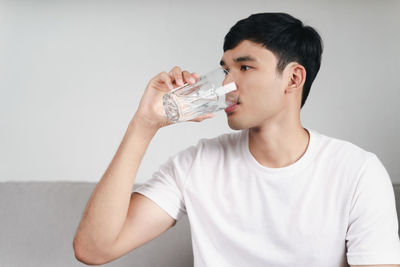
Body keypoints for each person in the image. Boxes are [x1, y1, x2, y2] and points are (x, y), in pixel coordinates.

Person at [73, 13, 400, 266]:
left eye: (244, 67)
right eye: (225, 69)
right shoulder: (197, 164)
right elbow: (93, 249)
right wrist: (144, 124)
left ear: (293, 78)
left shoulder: (358, 172)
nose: (226, 84)